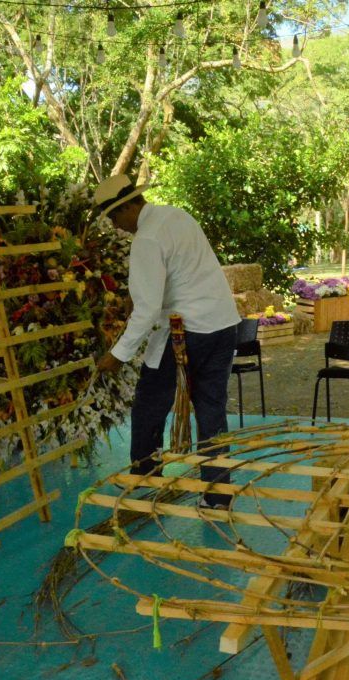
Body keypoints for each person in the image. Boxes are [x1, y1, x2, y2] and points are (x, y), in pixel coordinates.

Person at [92, 174, 240, 508]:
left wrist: (118, 354)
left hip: (187, 332)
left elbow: (146, 312)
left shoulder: (146, 238)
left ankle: (144, 479)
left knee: (149, 403)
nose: (117, 227)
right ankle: (218, 497)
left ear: (129, 207)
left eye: (115, 218)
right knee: (212, 411)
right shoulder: (176, 215)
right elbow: (177, 275)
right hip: (222, 323)